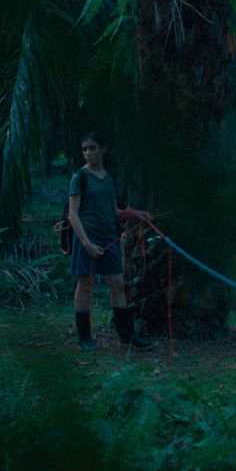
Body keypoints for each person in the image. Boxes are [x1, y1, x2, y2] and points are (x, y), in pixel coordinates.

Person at [68, 132, 151, 351]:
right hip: (87, 237)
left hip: (109, 237)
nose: (88, 153)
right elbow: (73, 215)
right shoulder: (80, 177)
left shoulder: (109, 176)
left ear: (103, 149)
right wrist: (86, 243)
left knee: (118, 284)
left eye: (92, 148)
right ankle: (85, 337)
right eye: (84, 149)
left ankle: (126, 335)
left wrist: (134, 214)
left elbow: (113, 211)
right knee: (85, 285)